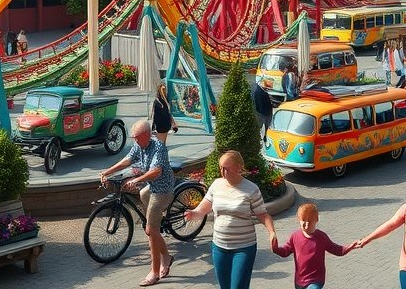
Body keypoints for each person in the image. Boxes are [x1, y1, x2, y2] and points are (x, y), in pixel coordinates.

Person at [182, 151, 276, 289]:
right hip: (219, 246)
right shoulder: (216, 185)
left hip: (244, 248)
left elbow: (262, 214)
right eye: (221, 167)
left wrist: (272, 232)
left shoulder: (251, 189)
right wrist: (193, 213)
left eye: (226, 168)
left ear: (238, 167)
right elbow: (203, 209)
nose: (222, 171)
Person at [100, 120, 176, 286]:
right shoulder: (140, 144)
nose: (135, 141)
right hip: (150, 188)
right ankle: (167, 256)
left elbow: (156, 171)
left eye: (137, 138)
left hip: (162, 190)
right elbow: (127, 160)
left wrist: (137, 180)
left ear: (147, 135)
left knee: (150, 230)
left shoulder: (158, 147)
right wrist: (107, 171)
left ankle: (154, 272)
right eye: (133, 138)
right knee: (151, 225)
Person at [271, 202, 356, 289]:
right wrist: (275, 248)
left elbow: (336, 250)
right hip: (299, 280)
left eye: (309, 221)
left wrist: (350, 247)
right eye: (303, 220)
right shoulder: (295, 236)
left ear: (316, 220)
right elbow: (285, 251)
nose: (305, 224)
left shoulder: (321, 237)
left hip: (316, 280)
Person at [252, 78, 274, 143]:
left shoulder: (260, 90)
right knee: (262, 127)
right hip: (263, 113)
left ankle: (264, 138)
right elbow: (259, 104)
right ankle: (259, 139)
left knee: (264, 127)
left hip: (265, 112)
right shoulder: (258, 92)